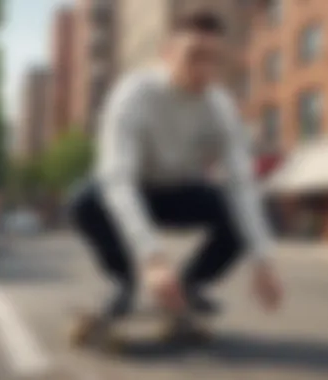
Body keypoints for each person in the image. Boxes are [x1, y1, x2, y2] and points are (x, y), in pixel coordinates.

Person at [69, 11, 283, 319]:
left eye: (213, 60)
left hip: (181, 191)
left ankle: (190, 285)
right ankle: (122, 283)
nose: (204, 70)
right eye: (194, 56)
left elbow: (242, 185)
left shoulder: (220, 107)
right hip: (134, 187)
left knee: (242, 213)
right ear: (167, 54)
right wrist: (152, 259)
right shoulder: (133, 95)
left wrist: (264, 262)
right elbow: (117, 180)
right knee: (83, 202)